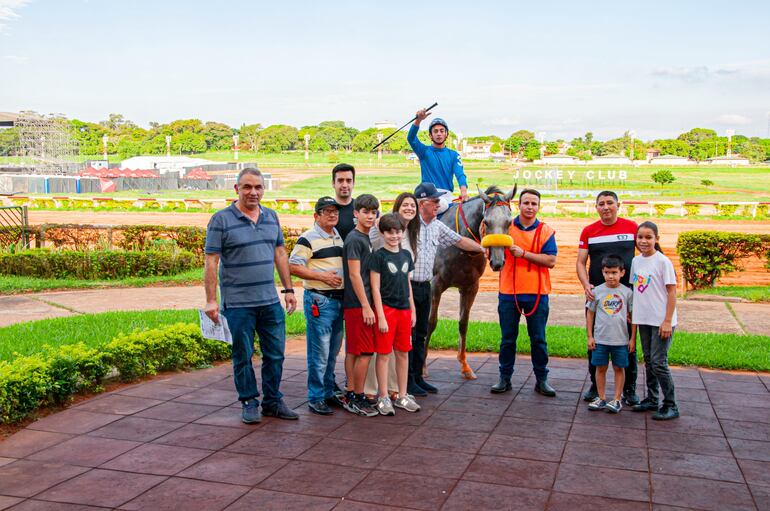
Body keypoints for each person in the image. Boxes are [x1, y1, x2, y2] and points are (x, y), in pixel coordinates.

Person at [203, 167, 299, 424]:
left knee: (276, 354)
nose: (253, 192)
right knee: (243, 354)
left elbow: (280, 253)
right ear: (236, 189)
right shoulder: (221, 220)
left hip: (269, 301)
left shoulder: (271, 217)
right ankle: (248, 400)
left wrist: (289, 289)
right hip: (238, 304)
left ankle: (272, 401)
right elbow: (211, 261)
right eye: (247, 187)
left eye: (258, 187)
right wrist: (211, 300)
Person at [410, 182, 485, 396]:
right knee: (409, 333)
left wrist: (483, 249)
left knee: (422, 329)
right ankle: (403, 380)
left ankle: (416, 377)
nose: (438, 205)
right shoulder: (407, 225)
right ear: (422, 203)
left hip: (424, 286)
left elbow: (460, 240)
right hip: (407, 287)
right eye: (434, 202)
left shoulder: (436, 225)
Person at [491, 189, 558, 397]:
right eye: (526, 203)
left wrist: (524, 254)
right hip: (509, 293)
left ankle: (541, 379)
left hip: (536, 293)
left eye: (534, 203)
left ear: (538, 207)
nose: (530, 207)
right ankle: (504, 378)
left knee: (538, 339)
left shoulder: (546, 231)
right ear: (518, 205)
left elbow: (551, 261)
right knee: (507, 339)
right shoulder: (504, 228)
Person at [576, 191, 640, 406]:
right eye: (601, 204)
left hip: (626, 296)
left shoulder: (632, 228)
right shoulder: (588, 231)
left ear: (618, 205)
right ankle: (596, 386)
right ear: (596, 207)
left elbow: (647, 252)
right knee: (594, 342)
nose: (605, 207)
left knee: (628, 343)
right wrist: (586, 286)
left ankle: (629, 389)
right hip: (598, 297)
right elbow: (580, 262)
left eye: (609, 203)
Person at [289, 196, 345, 415]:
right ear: (316, 215)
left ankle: (328, 391)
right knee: (319, 352)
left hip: (339, 300)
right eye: (327, 211)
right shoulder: (308, 238)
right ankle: (315, 396)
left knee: (333, 352)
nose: (332, 214)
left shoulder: (338, 237)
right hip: (319, 300)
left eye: (335, 211)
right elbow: (293, 266)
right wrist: (322, 276)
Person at [364, 192, 419, 399]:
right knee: (382, 353)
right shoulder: (379, 248)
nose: (395, 235)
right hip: (385, 305)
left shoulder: (405, 248)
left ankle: (399, 392)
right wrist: (380, 314)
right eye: (405, 205)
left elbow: (407, 282)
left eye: (412, 205)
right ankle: (378, 393)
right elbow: (375, 287)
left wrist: (412, 308)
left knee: (401, 352)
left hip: (403, 307)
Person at [630, 221, 680, 420]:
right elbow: (637, 291)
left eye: (648, 237)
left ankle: (671, 404)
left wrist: (667, 320)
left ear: (657, 239)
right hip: (644, 319)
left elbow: (672, 292)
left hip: (661, 321)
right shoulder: (636, 261)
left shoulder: (662, 262)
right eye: (640, 237)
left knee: (659, 362)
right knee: (650, 361)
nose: (643, 241)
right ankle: (652, 399)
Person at [341, 193, 380, 417]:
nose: (369, 216)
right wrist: (366, 306)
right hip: (358, 304)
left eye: (373, 212)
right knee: (365, 352)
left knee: (355, 351)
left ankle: (351, 392)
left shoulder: (363, 238)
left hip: (358, 303)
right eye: (365, 212)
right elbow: (355, 276)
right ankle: (357, 395)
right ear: (356, 213)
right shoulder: (356, 239)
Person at [586, 255, 636, 413]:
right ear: (602, 272)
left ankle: (616, 399)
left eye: (614, 272)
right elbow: (590, 314)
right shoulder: (596, 291)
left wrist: (633, 338)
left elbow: (633, 317)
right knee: (600, 368)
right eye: (607, 272)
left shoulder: (627, 293)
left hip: (620, 340)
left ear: (622, 273)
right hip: (601, 339)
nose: (610, 276)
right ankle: (601, 398)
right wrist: (590, 336)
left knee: (618, 368)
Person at [408, 108, 469, 214]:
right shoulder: (423, 151)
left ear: (446, 134)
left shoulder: (454, 155)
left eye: (442, 131)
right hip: (426, 196)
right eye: (435, 131)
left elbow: (460, 174)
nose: (439, 134)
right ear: (430, 135)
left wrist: (463, 191)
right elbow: (411, 138)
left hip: (446, 197)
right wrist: (418, 120)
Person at [332, 163, 356, 240]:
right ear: (333, 183)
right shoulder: (325, 211)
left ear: (353, 183)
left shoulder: (362, 209)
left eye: (348, 181)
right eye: (340, 180)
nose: (345, 185)